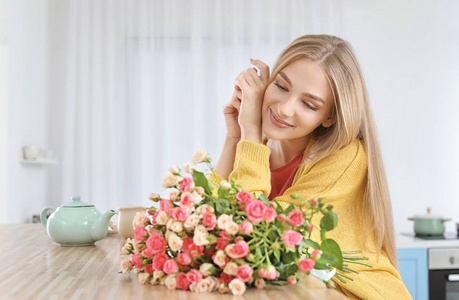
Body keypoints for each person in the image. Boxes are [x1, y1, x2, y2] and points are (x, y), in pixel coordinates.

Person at [210, 35, 412, 299]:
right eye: (281, 86)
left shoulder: (346, 158)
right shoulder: (256, 152)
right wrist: (234, 137)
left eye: (308, 104)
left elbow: (257, 236)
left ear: (329, 116)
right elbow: (210, 225)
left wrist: (250, 130)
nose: (284, 109)